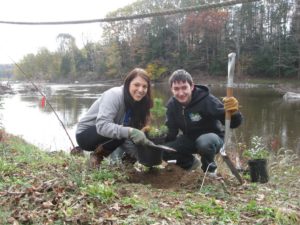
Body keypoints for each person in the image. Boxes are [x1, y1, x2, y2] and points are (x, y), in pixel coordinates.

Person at [163, 69, 243, 173]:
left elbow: (233, 123)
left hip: (213, 138)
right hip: (190, 139)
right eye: (176, 89)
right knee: (162, 149)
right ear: (171, 89)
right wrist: (157, 142)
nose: (181, 93)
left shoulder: (207, 99)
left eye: (184, 88)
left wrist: (234, 113)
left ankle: (209, 171)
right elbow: (171, 131)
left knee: (204, 142)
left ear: (192, 86)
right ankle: (191, 165)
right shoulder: (172, 105)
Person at [75, 68, 153, 167]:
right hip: (85, 135)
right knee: (124, 131)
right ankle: (96, 157)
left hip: (107, 134)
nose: (141, 90)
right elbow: (102, 126)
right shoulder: (114, 95)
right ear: (128, 84)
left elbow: (124, 137)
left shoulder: (138, 102)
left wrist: (143, 158)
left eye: (145, 86)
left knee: (126, 133)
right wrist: (130, 131)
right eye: (136, 85)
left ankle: (126, 163)